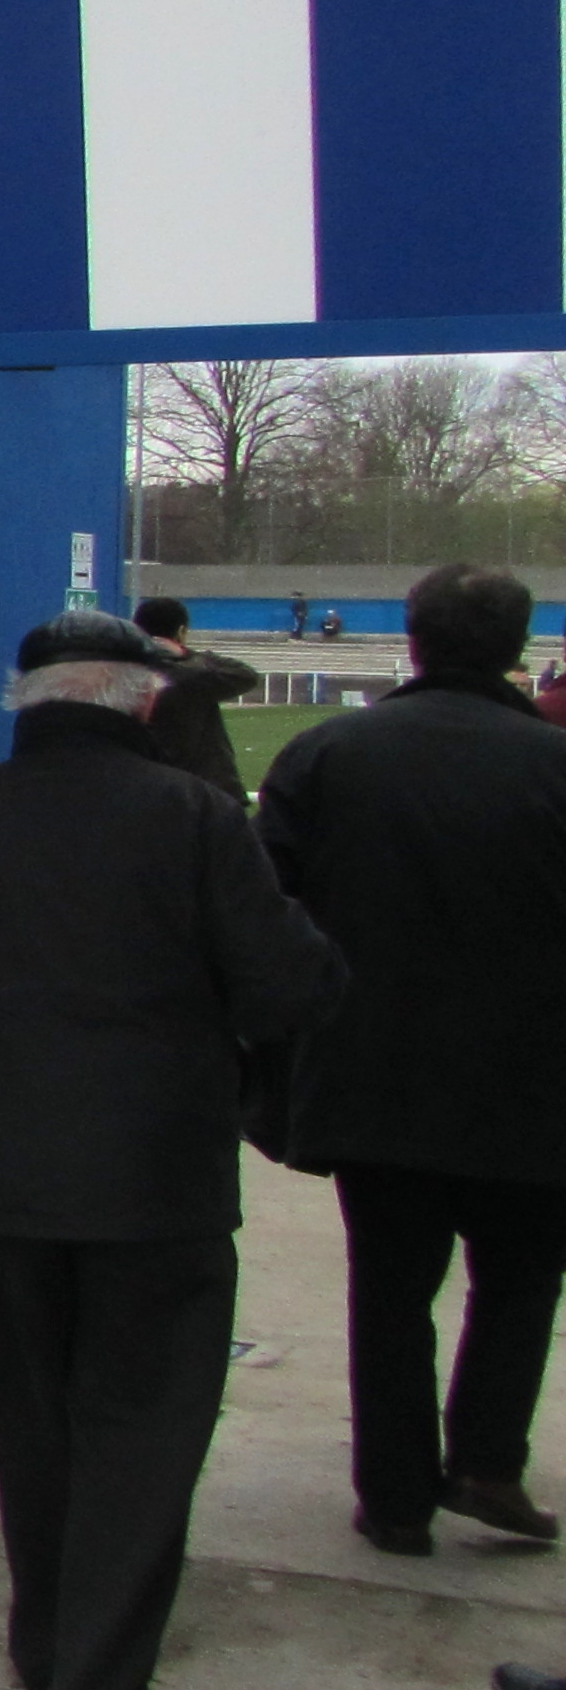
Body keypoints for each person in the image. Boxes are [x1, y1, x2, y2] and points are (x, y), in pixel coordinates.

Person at [0, 611, 346, 1690]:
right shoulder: (194, 819)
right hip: (157, 1186)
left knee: (30, 1420)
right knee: (143, 1431)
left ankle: (47, 1638)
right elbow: (289, 984)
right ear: (143, 700)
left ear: (25, 700)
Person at [253, 563, 566, 1560]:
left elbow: (263, 912)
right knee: (520, 1281)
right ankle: (486, 1460)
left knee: (389, 1292)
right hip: (533, 1081)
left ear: (414, 639)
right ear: (517, 648)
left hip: (370, 1076)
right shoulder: (554, 765)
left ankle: (393, 1497)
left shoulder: (327, 753)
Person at [131, 597, 262, 800]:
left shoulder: (122, 673)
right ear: (181, 632)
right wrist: (185, 654)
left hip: (141, 788)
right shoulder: (195, 676)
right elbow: (246, 675)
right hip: (203, 792)